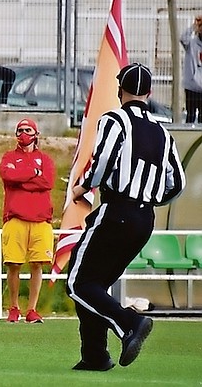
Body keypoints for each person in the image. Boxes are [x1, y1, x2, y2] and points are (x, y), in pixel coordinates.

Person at [66, 63, 186, 371]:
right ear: (149, 93)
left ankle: (130, 323)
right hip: (145, 219)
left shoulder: (114, 119)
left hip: (116, 210)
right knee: (95, 285)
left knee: (78, 283)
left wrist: (83, 187)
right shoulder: (162, 131)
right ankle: (95, 355)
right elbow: (178, 182)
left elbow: (104, 159)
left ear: (120, 91)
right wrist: (150, 199)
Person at [0, 118, 55, 323]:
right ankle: (13, 307)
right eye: (20, 130)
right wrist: (32, 174)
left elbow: (47, 181)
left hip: (41, 220)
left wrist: (23, 181)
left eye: (27, 129)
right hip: (16, 218)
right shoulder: (9, 157)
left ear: (35, 133)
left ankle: (32, 309)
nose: (23, 133)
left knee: (37, 264)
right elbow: (8, 176)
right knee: (13, 264)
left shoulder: (45, 160)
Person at [179, 14, 202, 124]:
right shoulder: (191, 44)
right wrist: (194, 26)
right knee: (191, 115)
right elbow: (183, 38)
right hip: (191, 86)